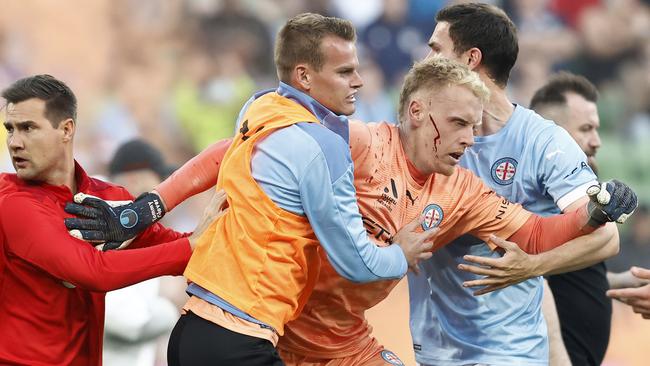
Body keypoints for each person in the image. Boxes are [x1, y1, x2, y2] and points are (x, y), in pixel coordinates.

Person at [67, 56, 637, 365]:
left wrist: (597, 209)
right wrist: (147, 206)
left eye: (476, 125)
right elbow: (237, 148)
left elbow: (538, 235)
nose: (470, 139)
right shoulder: (358, 144)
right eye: (459, 122)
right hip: (271, 331)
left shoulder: (462, 192)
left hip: (344, 344)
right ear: (417, 111)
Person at [66, 13, 435, 365]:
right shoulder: (323, 145)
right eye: (344, 72)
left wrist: (146, 209)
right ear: (304, 76)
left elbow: (217, 155)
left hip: (192, 332)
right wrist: (399, 254)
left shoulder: (260, 109)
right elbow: (354, 261)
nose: (358, 81)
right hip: (238, 340)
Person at [408, 3, 623, 365]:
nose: (425, 58)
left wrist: (532, 267)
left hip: (510, 351)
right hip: (435, 350)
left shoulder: (543, 141)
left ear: (471, 58)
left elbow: (607, 237)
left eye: (436, 48)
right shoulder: (424, 132)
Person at [0, 74, 221, 365]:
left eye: (28, 128)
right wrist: (189, 250)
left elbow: (185, 248)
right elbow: (95, 272)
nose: (14, 142)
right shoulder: (12, 202)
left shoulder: (108, 197)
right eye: (10, 129)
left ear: (66, 129)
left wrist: (215, 233)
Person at [530, 71, 611, 365]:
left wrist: (612, 284)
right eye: (586, 128)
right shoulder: (532, 201)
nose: (597, 141)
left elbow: (562, 276)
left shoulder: (578, 199)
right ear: (553, 134)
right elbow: (530, 279)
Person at [102, 139, 182, 366]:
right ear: (134, 180)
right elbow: (129, 324)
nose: (165, 196)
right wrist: (172, 307)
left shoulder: (134, 230)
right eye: (159, 184)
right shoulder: (109, 225)